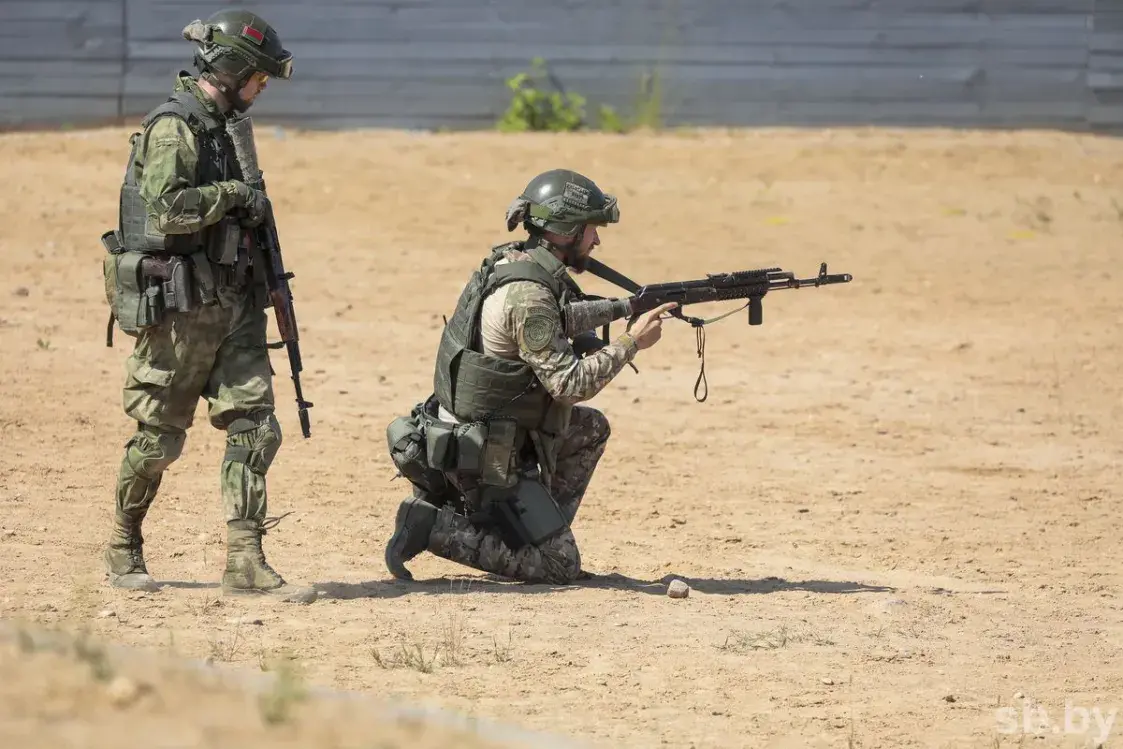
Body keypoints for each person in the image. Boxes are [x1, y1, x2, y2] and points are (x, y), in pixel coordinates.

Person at [99, 9, 314, 603]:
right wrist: (232, 195)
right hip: (181, 308)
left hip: (235, 301)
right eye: (259, 79)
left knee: (255, 426)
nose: (262, 90)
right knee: (159, 438)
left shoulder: (226, 126)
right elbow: (167, 210)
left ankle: (245, 560)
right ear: (235, 68)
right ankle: (123, 543)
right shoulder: (176, 128)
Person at [383, 169, 677, 584]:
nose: (597, 241)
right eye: (592, 230)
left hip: (486, 433)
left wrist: (627, 307)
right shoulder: (531, 297)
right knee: (560, 566)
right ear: (567, 230)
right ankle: (432, 527)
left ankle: (527, 529)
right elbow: (569, 384)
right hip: (485, 454)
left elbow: (559, 319)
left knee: (589, 429)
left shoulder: (514, 264)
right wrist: (630, 343)